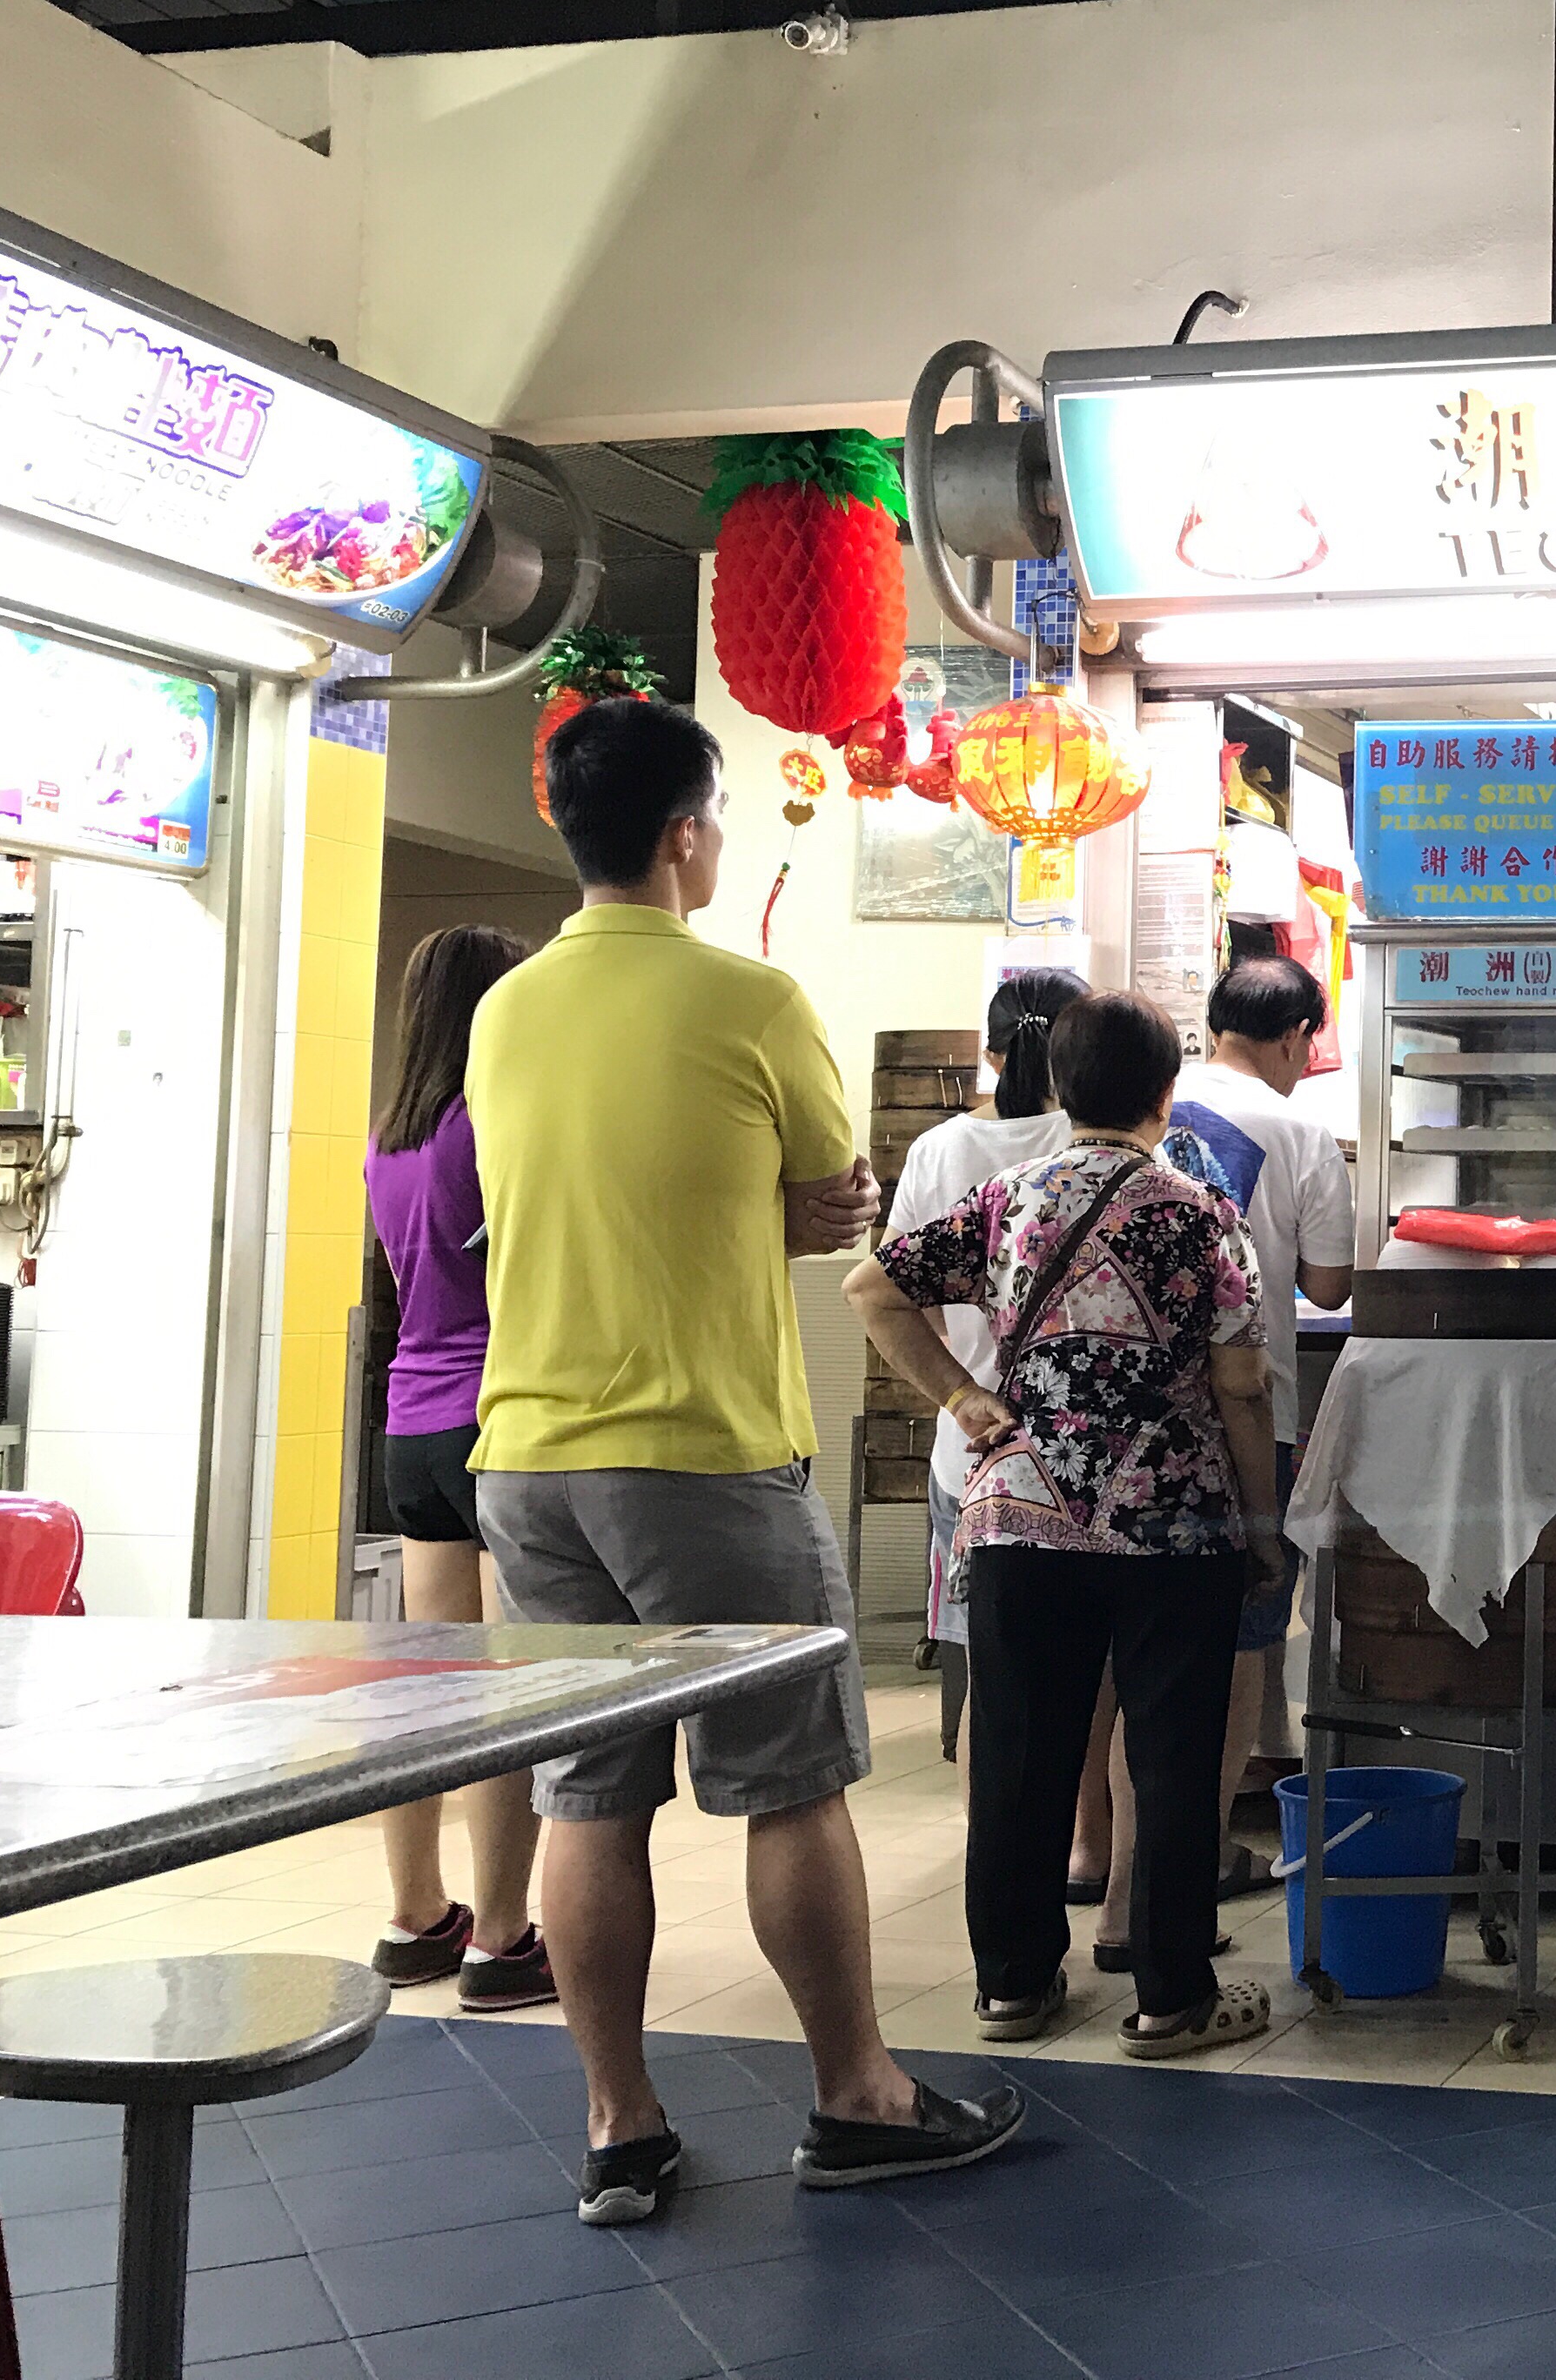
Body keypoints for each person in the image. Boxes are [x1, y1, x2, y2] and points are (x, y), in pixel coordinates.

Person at [469, 695, 1021, 2225]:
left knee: (590, 1794)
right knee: (793, 1784)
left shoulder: (505, 1009)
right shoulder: (750, 998)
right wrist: (794, 1208)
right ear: (683, 836)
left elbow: (615, 1193)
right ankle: (859, 2095)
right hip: (700, 1451)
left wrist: (766, 1207)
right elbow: (832, 1193)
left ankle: (620, 2125)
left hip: (527, 1460)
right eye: (715, 820)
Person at [848, 991, 1288, 2058]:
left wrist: (963, 1399)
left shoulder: (1009, 1200)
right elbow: (1241, 1385)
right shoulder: (1199, 1211)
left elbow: (873, 1286)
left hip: (1022, 1514)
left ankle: (1012, 1988)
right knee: (1173, 1758)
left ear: (1057, 1086)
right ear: (1165, 1093)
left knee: (1018, 1751)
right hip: (1171, 1522)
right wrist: (1260, 1523)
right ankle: (1172, 1999)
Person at [1108, 955, 1355, 1927]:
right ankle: (1188, 1871)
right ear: (1295, 1038)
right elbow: (1329, 1285)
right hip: (1251, 1422)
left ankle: (1124, 1888)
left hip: (1124, 1431)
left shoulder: (1144, 1109)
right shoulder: (1298, 1132)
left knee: (1139, 1663)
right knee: (1241, 1649)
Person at [361, 923, 552, 2014]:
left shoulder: (390, 1138)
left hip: (410, 1426)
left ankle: (414, 1916)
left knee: (427, 1688)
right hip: (493, 1420)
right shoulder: (491, 1126)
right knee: (504, 1693)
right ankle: (504, 1937)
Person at [885, 967, 1088, 1760]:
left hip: (969, 1446)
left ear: (991, 1055)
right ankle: (1086, 1828)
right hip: (1080, 1451)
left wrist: (961, 1387)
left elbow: (897, 1295)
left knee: (991, 1681)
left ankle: (989, 1827)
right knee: (1088, 1681)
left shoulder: (938, 1150)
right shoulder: (1093, 1146)